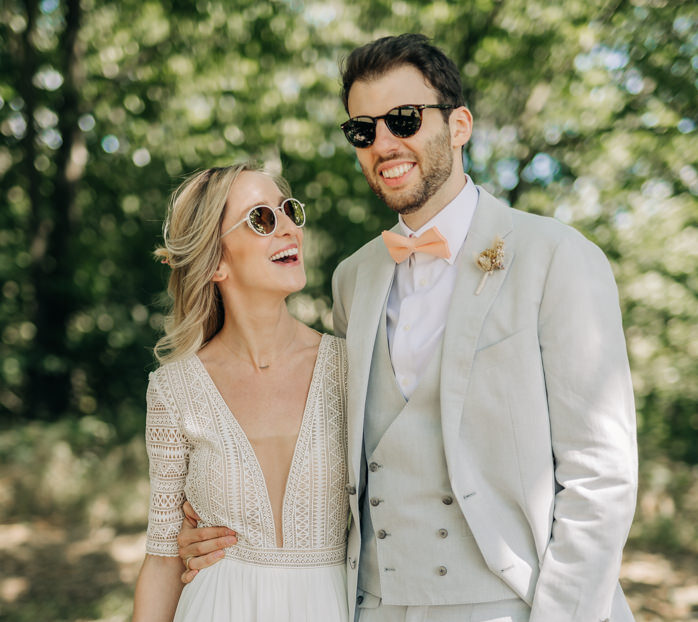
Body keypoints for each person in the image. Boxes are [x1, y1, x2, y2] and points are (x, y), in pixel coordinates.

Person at [178, 34, 638, 622]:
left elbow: (601, 476)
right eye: (363, 130)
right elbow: (333, 452)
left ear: (459, 125)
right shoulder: (353, 279)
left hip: (515, 604)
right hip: (375, 605)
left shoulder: (557, 257)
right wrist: (220, 529)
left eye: (404, 119)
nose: (384, 144)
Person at [132, 162, 350, 622]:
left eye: (288, 210)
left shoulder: (351, 368)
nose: (288, 227)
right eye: (262, 218)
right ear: (216, 262)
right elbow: (163, 558)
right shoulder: (174, 390)